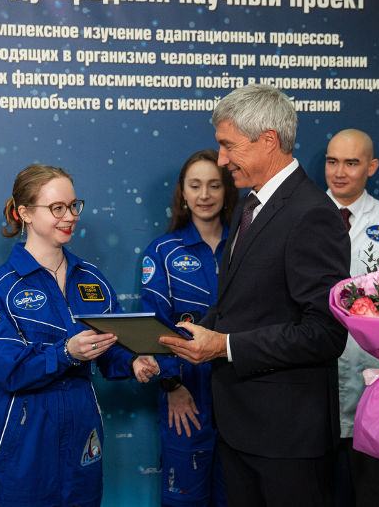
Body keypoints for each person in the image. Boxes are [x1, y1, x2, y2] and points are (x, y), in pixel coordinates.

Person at [160, 84, 350, 507]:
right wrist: (187, 336)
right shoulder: (251, 206)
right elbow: (239, 303)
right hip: (242, 428)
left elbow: (325, 333)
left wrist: (224, 346)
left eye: (229, 146)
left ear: (268, 140)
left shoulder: (312, 213)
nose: (221, 159)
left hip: (287, 440)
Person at [0, 164, 158, 507]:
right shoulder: (2, 287)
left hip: (80, 422)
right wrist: (65, 353)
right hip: (24, 427)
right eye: (57, 208)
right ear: (25, 213)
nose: (70, 216)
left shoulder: (92, 279)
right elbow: (2, 367)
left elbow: (111, 347)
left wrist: (133, 361)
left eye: (74, 206)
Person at [140, 149, 238, 507]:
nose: (205, 195)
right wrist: (172, 385)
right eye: (195, 186)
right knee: (186, 499)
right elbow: (153, 326)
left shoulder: (245, 245)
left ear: (227, 190)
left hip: (240, 391)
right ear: (182, 192)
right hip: (187, 393)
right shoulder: (162, 252)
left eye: (214, 185)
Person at [324, 129, 379, 507]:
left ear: (371, 167)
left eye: (351, 163)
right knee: (312, 490)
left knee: (374, 492)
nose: (339, 172)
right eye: (332, 162)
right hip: (314, 377)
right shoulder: (300, 216)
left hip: (373, 378)